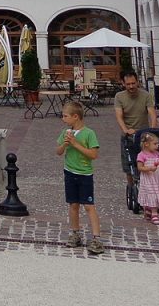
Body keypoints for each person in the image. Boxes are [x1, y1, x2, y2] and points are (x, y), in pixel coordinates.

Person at [56, 100, 104, 254]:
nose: (63, 119)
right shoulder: (66, 132)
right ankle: (75, 233)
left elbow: (93, 155)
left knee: (89, 206)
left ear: (75, 116)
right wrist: (65, 144)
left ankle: (96, 238)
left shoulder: (89, 133)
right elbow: (58, 152)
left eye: (65, 116)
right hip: (70, 172)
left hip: (84, 174)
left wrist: (75, 144)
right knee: (73, 204)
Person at [114, 71, 158, 184]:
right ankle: (131, 187)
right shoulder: (119, 97)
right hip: (128, 135)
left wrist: (152, 130)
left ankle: (148, 185)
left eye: (133, 83)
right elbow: (119, 116)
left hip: (144, 135)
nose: (131, 86)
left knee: (147, 162)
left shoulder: (146, 95)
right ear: (123, 83)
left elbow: (152, 114)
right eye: (128, 84)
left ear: (137, 82)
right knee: (129, 167)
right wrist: (125, 130)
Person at [136, 132, 159, 225]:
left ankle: (150, 210)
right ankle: (154, 213)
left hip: (156, 178)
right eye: (155, 144)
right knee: (151, 193)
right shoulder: (142, 155)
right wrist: (149, 168)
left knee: (156, 193)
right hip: (148, 179)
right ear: (146, 144)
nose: (157, 146)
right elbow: (140, 167)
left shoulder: (157, 154)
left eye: (157, 143)